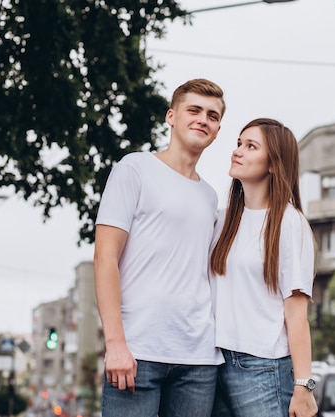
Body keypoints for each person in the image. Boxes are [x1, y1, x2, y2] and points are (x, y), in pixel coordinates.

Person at [93, 78, 226, 417]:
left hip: (198, 358)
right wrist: (116, 344)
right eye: (193, 110)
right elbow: (105, 257)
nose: (202, 120)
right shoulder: (134, 168)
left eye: (212, 115)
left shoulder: (210, 196)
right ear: (171, 116)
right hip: (138, 351)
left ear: (218, 129)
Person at [209, 118, 318, 417]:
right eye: (239, 144)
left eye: (251, 146)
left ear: (273, 164)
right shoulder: (222, 221)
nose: (238, 151)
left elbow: (296, 314)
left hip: (263, 367)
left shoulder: (288, 223)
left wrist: (303, 386)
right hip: (214, 363)